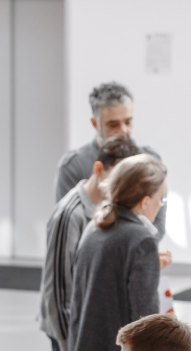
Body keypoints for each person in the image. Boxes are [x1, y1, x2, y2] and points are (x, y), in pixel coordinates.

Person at [62, 154, 167, 351]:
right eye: (161, 199)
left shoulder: (94, 227)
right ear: (145, 202)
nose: (160, 205)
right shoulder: (142, 239)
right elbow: (146, 323)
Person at [40, 134, 139, 351]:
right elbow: (57, 290)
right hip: (67, 329)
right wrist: (68, 347)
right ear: (98, 169)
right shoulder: (70, 214)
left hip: (85, 324)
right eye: (117, 178)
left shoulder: (106, 207)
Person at [53, 81, 167, 241]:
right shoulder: (73, 165)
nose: (123, 130)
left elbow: (158, 224)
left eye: (128, 122)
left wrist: (141, 250)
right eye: (113, 125)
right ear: (95, 123)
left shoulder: (150, 161)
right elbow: (67, 229)